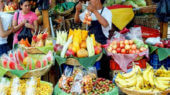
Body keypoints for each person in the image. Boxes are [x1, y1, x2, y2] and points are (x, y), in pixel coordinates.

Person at [74, 0, 112, 79]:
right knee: (91, 74)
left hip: (102, 49)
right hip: (90, 49)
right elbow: (77, 21)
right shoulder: (89, 12)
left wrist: (94, 11)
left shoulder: (106, 12)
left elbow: (105, 24)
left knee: (103, 75)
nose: (89, 1)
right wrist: (77, 11)